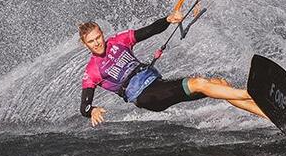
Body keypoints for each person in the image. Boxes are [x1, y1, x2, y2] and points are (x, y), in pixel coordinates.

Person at [79, 9, 268, 127]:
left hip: (157, 84)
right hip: (146, 97)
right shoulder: (92, 70)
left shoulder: (118, 41)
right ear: (85, 44)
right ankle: (256, 94)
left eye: (98, 37)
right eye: (91, 41)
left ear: (102, 34)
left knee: (220, 84)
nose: (97, 43)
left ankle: (268, 114)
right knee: (199, 83)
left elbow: (150, 30)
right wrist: (92, 110)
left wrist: (168, 20)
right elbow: (84, 107)